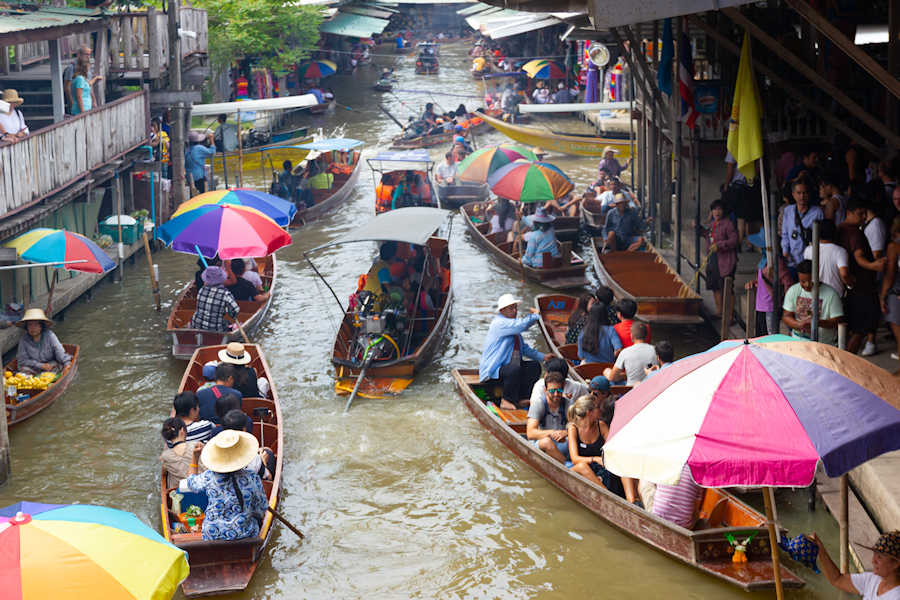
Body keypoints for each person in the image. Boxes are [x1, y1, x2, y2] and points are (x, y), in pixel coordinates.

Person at [178, 430, 268, 541]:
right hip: (244, 534)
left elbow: (191, 483)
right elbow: (261, 509)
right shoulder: (252, 477)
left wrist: (195, 458)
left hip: (212, 535)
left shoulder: (209, 477)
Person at [478, 294, 550, 410]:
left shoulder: (513, 328)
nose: (515, 311)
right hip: (494, 371)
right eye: (511, 308)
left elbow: (524, 349)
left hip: (508, 370)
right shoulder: (500, 323)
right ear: (502, 310)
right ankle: (506, 400)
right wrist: (535, 316)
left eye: (516, 307)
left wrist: (543, 357)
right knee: (513, 369)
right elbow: (522, 325)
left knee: (534, 366)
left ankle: (522, 397)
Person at [839, 199, 886, 354]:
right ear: (849, 213)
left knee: (851, 328)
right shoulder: (855, 233)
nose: (864, 217)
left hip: (850, 286)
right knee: (861, 328)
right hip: (861, 286)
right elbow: (859, 257)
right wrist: (874, 266)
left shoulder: (840, 229)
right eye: (860, 214)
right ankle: (847, 361)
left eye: (865, 213)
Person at [809, 530, 900, 600]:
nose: (873, 561)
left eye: (879, 557)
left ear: (895, 563)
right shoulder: (873, 579)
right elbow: (837, 579)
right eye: (874, 554)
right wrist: (819, 548)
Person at [566, 395, 625, 496]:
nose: (600, 409)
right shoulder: (573, 428)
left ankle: (632, 499)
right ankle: (608, 496)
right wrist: (595, 459)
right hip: (582, 468)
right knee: (582, 466)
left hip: (600, 467)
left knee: (621, 460)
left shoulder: (601, 426)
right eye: (597, 407)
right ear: (589, 412)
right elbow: (575, 459)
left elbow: (612, 448)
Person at [782, 259, 844, 345]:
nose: (807, 285)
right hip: (797, 342)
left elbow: (837, 321)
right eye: (803, 282)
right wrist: (799, 325)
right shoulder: (793, 290)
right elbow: (786, 316)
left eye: (810, 281)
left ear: (817, 276)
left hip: (823, 344)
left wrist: (818, 322)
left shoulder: (831, 294)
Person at [526, 371, 572, 463]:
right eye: (552, 391)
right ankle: (567, 467)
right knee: (546, 442)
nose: (556, 394)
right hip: (541, 443)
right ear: (545, 390)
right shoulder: (538, 404)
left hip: (561, 442)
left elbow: (577, 426)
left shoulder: (568, 404)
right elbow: (530, 433)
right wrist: (552, 433)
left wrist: (566, 432)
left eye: (559, 391)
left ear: (563, 389)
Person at [702, 199, 738, 317]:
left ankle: (729, 316)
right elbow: (707, 235)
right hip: (713, 259)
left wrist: (720, 245)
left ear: (723, 211)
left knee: (727, 288)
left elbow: (734, 240)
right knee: (715, 286)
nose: (717, 212)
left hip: (726, 260)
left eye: (719, 209)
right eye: (714, 209)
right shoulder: (712, 224)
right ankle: (719, 312)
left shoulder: (728, 224)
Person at [782, 179, 824, 269]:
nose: (802, 196)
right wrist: (785, 251)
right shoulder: (788, 211)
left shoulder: (817, 212)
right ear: (793, 194)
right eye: (799, 193)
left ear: (809, 194)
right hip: (791, 260)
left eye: (805, 193)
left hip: (809, 260)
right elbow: (785, 234)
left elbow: (821, 237)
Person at [802, 219, 851, 297]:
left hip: (815, 295)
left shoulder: (808, 250)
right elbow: (844, 274)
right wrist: (850, 284)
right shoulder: (840, 251)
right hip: (834, 296)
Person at [14, 308, 71, 375]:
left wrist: (66, 364)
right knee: (23, 369)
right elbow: (22, 360)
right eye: (30, 325)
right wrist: (40, 365)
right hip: (33, 368)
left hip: (50, 365)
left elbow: (59, 351)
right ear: (27, 327)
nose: (33, 328)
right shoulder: (23, 340)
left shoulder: (50, 335)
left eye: (36, 325)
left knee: (58, 366)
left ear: (41, 326)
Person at [650, 463, 703, 527]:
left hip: (658, 519)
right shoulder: (700, 474)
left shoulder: (665, 463)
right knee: (696, 514)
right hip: (683, 527)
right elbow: (695, 508)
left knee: (647, 485)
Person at [190, 266, 240, 332]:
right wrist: (227, 310)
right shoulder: (225, 294)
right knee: (229, 323)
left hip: (196, 325)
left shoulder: (201, 290)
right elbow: (235, 312)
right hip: (215, 329)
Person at [160, 417, 205, 488]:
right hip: (202, 487)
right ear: (182, 430)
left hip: (180, 492)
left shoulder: (165, 456)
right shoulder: (197, 445)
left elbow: (163, 474)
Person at [880, 217, 900, 373]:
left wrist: (883, 295)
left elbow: (890, 273)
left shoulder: (894, 246)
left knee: (898, 330)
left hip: (896, 291)